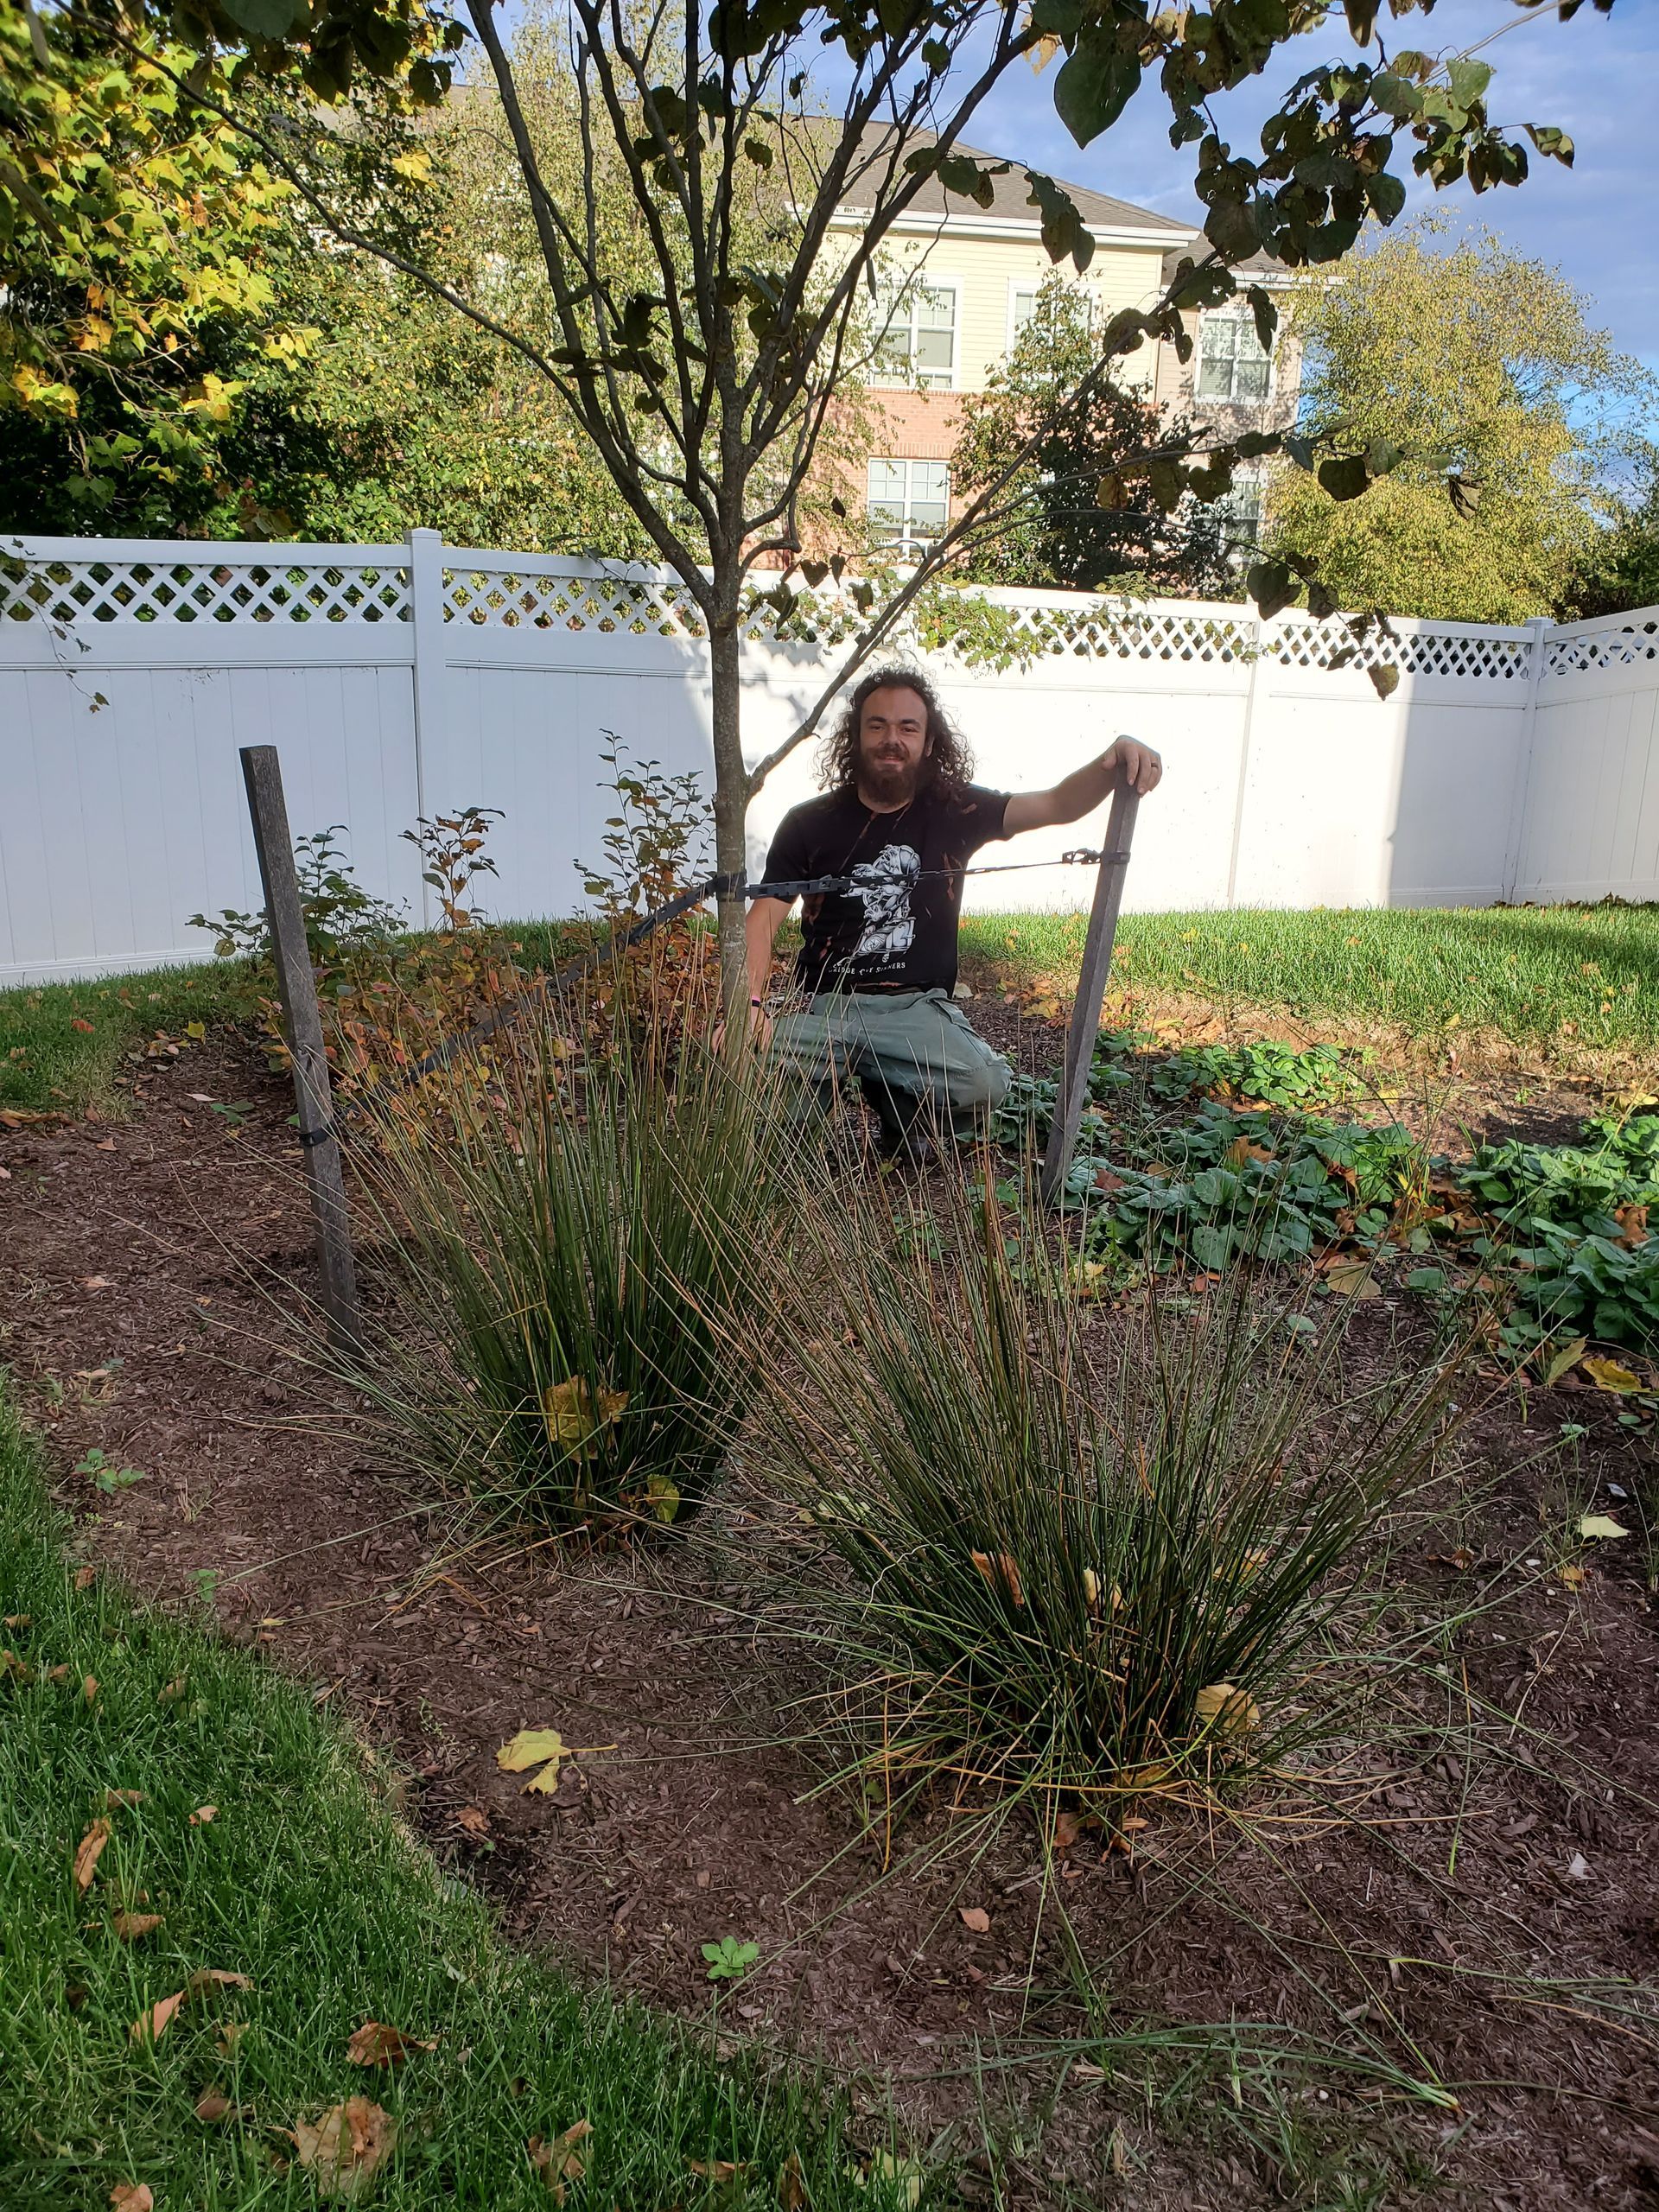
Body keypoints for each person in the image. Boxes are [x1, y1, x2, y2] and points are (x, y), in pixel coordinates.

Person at [742, 664, 1163, 1160]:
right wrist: (747, 1007)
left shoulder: (954, 810)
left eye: (907, 727)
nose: (890, 739)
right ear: (856, 736)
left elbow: (1054, 804)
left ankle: (901, 1107)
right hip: (824, 1008)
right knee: (740, 1060)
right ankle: (807, 1121)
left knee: (984, 1084)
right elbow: (764, 918)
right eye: (876, 725)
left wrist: (1110, 764)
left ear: (928, 741)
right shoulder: (808, 823)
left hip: (916, 1010)